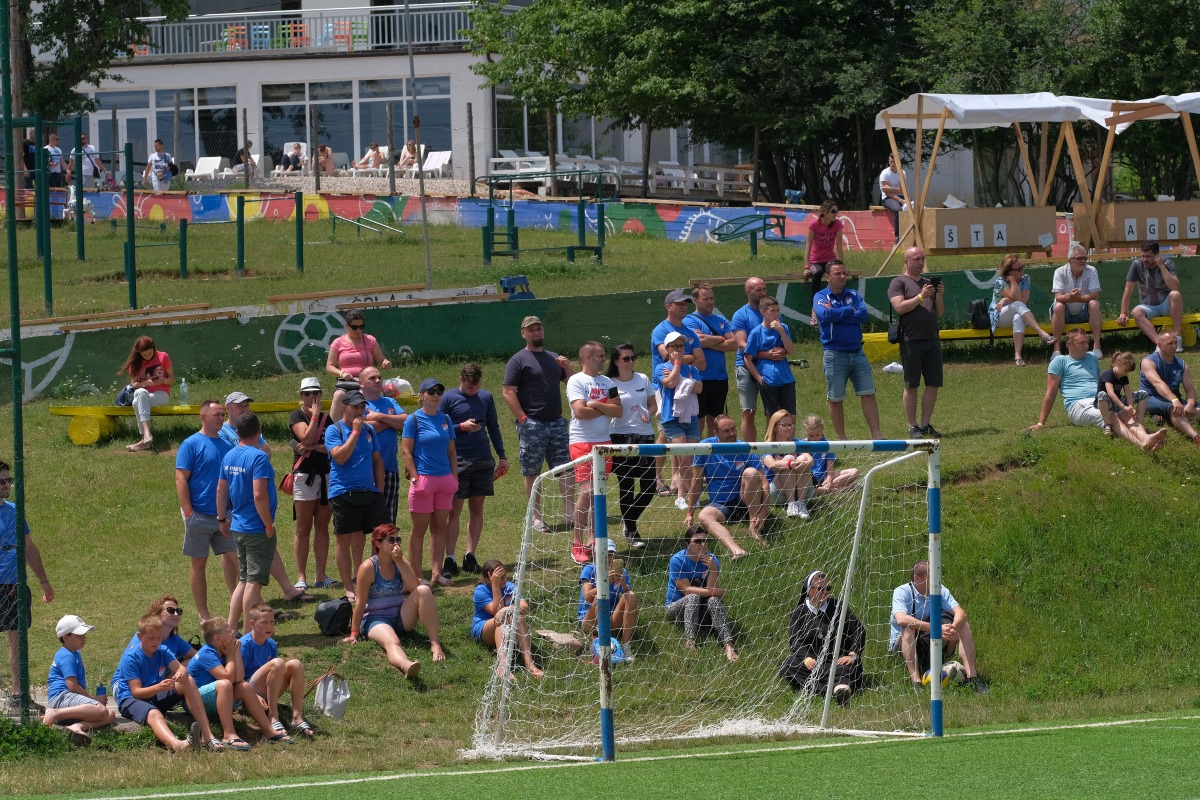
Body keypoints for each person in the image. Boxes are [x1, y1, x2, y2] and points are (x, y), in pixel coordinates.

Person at [221, 391, 314, 615]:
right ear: (228, 409)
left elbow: (266, 450)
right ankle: (248, 627)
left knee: (248, 576)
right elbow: (258, 493)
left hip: (242, 519)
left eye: (246, 404)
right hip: (251, 517)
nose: (244, 408)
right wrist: (268, 524)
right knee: (251, 579)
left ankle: (237, 624)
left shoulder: (241, 445)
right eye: (239, 405)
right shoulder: (230, 438)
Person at [1029, 329, 1166, 452]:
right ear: (1069, 344)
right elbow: (1050, 393)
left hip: (1100, 400)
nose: (1086, 346)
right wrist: (1041, 423)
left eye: (1087, 342)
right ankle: (1141, 445)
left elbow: (1101, 384)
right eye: (1081, 343)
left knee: (1125, 414)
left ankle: (1147, 438)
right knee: (1112, 415)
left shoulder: (1092, 357)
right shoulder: (1060, 361)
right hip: (1078, 405)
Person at [502, 315, 575, 533]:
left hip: (557, 423)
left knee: (565, 469)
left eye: (539, 329)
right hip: (533, 424)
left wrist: (568, 367)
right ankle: (536, 517)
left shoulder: (554, 358)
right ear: (523, 333)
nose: (536, 333)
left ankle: (570, 514)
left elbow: (573, 384)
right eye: (531, 330)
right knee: (532, 472)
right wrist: (523, 420)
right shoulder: (518, 360)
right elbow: (508, 392)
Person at [342, 524, 445, 679]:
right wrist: (354, 633)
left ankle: (435, 644)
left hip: (400, 615)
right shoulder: (368, 567)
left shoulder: (400, 561)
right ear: (377, 543)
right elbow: (360, 602)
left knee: (424, 590)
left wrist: (400, 562)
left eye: (398, 539)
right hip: (375, 619)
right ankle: (406, 665)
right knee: (392, 641)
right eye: (391, 540)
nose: (396, 544)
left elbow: (414, 588)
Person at [439, 362, 508, 575]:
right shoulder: (448, 398)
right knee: (454, 510)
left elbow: (494, 427)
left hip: (482, 458)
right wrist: (461, 427)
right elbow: (439, 427)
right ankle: (449, 559)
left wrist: (502, 456)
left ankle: (470, 555)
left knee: (477, 508)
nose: (473, 391)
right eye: (470, 387)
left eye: (477, 387)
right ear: (461, 380)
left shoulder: (486, 397)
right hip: (457, 460)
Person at [113, 613, 216, 753]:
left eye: (159, 637)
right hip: (130, 699)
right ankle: (177, 745)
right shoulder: (131, 657)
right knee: (154, 713)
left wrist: (181, 672)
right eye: (151, 638)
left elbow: (179, 667)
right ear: (139, 637)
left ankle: (207, 735)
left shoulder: (162, 650)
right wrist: (158, 687)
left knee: (188, 680)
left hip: (155, 693)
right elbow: (136, 692)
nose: (156, 642)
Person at [187, 616, 290, 749]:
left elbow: (238, 678)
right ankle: (228, 734)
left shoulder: (224, 650)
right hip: (197, 701)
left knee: (245, 686)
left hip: (217, 695)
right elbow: (227, 679)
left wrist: (235, 653)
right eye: (229, 631)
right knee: (224, 684)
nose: (233, 633)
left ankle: (268, 730)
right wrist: (230, 655)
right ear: (218, 639)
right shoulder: (207, 653)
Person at [176, 400, 237, 622]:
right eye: (216, 415)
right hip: (199, 515)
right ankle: (204, 615)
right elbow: (181, 477)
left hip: (225, 516)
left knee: (236, 558)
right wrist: (188, 512)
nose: (221, 418)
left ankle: (238, 606)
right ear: (203, 417)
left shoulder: (227, 445)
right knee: (199, 564)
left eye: (222, 414)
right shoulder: (190, 444)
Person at [325, 390, 389, 600]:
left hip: (370, 492)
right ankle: (348, 587)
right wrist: (354, 432)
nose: (359, 411)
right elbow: (340, 457)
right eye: (355, 407)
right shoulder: (334, 430)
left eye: (362, 407)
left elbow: (377, 460)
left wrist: (379, 489)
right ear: (345, 407)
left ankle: (364, 577)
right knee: (344, 540)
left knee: (377, 536)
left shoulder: (369, 430)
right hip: (343, 492)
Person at [218, 411, 279, 630]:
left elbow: (220, 490)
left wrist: (222, 518)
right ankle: (246, 635)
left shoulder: (230, 455)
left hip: (237, 526)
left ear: (237, 432)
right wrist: (268, 524)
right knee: (253, 583)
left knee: (243, 581)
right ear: (260, 430)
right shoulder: (259, 457)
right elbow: (259, 494)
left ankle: (231, 629)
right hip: (256, 528)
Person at [891, 560, 987, 693]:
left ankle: (973, 679)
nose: (937, 579)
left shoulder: (939, 590)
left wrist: (952, 629)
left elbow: (961, 613)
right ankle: (916, 682)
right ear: (917, 579)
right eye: (932, 576)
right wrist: (936, 628)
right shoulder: (902, 592)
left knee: (963, 624)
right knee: (908, 628)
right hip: (905, 645)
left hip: (932, 640)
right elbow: (901, 619)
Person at [566, 342, 622, 564]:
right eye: (600, 356)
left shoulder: (608, 382)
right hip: (582, 442)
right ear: (587, 357)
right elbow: (579, 412)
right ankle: (577, 542)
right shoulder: (576, 380)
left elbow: (618, 410)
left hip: (604, 442)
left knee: (597, 493)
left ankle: (593, 540)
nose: (604, 359)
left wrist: (594, 404)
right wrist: (602, 406)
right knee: (587, 492)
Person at [814, 260, 882, 438]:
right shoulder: (820, 297)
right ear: (828, 277)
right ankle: (842, 439)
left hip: (857, 351)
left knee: (868, 393)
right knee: (836, 398)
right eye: (838, 274)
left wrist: (838, 314)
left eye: (844, 273)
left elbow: (863, 315)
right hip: (834, 354)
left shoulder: (853, 294)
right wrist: (849, 310)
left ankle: (877, 435)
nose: (843, 276)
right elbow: (825, 315)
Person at [401, 378, 458, 586]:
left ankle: (436, 573)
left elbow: (452, 451)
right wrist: (415, 477)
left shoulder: (446, 419)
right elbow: (406, 451)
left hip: (445, 481)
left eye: (439, 391)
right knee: (419, 530)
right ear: (421, 395)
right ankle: (417, 576)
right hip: (424, 480)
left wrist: (454, 478)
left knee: (439, 528)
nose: (435, 395)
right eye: (431, 391)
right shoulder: (413, 419)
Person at [778, 570, 865, 704]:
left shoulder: (839, 607)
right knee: (788, 664)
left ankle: (836, 690)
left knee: (851, 667)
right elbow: (795, 640)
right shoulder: (799, 612)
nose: (825, 592)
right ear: (809, 590)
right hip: (813, 663)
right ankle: (836, 688)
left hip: (837, 661)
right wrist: (806, 658)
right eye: (820, 588)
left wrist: (853, 655)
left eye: (828, 588)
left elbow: (858, 630)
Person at [687, 414, 766, 555]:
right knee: (704, 516)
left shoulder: (745, 448)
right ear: (716, 433)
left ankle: (754, 529)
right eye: (726, 431)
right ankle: (736, 550)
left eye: (733, 429)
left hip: (745, 502)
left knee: (751, 473)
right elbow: (696, 481)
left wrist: (763, 512)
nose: (731, 434)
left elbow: (764, 483)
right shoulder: (705, 448)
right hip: (721, 506)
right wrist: (689, 512)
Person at [888, 247, 945, 437]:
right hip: (911, 340)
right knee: (911, 385)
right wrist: (921, 296)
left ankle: (925, 423)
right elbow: (900, 307)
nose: (921, 262)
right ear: (906, 261)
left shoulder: (928, 283)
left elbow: (940, 312)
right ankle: (912, 425)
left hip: (932, 338)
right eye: (916, 259)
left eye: (922, 258)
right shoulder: (899, 282)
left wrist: (939, 296)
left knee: (933, 383)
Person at [605, 342, 656, 548]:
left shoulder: (642, 378)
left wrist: (649, 413)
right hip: (620, 437)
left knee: (650, 486)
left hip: (645, 436)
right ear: (616, 361)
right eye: (626, 358)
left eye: (633, 358)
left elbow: (652, 403)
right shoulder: (609, 383)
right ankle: (632, 530)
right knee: (627, 486)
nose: (630, 362)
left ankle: (629, 521)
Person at [289, 377, 336, 591]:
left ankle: (321, 575)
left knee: (322, 526)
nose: (311, 397)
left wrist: (316, 446)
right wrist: (315, 417)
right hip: (305, 474)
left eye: (315, 392)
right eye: (307, 393)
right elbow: (306, 440)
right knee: (303, 527)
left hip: (325, 474)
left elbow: (333, 446)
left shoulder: (329, 420)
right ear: (301, 396)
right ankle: (301, 576)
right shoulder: (297, 415)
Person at [239, 603, 313, 738]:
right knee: (278, 663)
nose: (269, 626)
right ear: (252, 623)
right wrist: (253, 696)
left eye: (272, 622)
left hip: (265, 689)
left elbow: (276, 674)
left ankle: (297, 717)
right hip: (247, 693)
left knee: (295, 664)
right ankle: (273, 717)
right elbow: (236, 678)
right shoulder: (245, 644)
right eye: (264, 622)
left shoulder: (271, 643)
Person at [665, 528, 738, 661]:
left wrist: (713, 569)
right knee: (693, 597)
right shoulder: (677, 560)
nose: (703, 544)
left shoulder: (712, 560)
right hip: (676, 607)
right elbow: (686, 590)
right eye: (698, 541)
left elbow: (712, 590)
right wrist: (719, 592)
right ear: (687, 545)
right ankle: (690, 641)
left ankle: (729, 646)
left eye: (705, 540)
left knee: (714, 602)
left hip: (701, 608)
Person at [44, 615, 115, 741]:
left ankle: (77, 727)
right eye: (79, 635)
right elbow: (72, 685)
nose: (84, 638)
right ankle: (54, 713)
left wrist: (92, 702)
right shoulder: (66, 656)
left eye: (84, 635)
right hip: (61, 698)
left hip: (68, 701)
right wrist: (94, 700)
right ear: (66, 637)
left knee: (110, 714)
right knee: (101, 710)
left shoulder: (75, 653)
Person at [472, 559, 542, 678]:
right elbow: (496, 611)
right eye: (499, 577)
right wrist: (495, 585)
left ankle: (529, 663)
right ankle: (503, 665)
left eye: (505, 575)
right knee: (501, 617)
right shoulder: (480, 591)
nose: (504, 579)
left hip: (506, 626)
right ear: (488, 578)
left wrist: (507, 609)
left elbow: (525, 608)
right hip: (484, 628)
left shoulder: (510, 586)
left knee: (516, 616)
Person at [658, 331, 703, 514]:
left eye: (682, 346)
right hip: (672, 418)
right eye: (675, 347)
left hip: (691, 416)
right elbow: (669, 383)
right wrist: (677, 365)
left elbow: (699, 388)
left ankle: (691, 494)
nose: (679, 350)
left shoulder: (693, 369)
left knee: (691, 458)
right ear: (668, 349)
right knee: (683, 456)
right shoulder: (661, 367)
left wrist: (682, 378)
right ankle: (681, 496)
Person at [684, 283, 737, 438]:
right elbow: (698, 340)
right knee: (698, 422)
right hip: (699, 378)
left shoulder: (721, 320)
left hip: (719, 378)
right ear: (695, 300)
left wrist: (710, 340)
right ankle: (698, 458)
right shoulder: (689, 320)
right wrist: (721, 338)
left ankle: (712, 458)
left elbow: (734, 344)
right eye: (705, 298)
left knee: (715, 423)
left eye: (712, 298)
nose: (710, 301)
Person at [989, 254, 1056, 366]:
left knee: (1018, 317)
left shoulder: (1025, 278)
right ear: (1009, 271)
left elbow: (1023, 300)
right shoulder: (1000, 282)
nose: (1023, 270)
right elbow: (1017, 298)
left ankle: (1018, 355)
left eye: (1023, 266)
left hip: (1018, 310)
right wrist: (1012, 280)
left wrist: (1005, 300)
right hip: (999, 316)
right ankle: (1041, 333)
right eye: (1020, 268)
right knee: (1017, 305)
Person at [361, 366, 408, 524]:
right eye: (372, 378)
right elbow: (363, 427)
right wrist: (390, 421)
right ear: (361, 383)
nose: (378, 380)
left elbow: (405, 421)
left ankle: (381, 550)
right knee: (362, 521)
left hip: (390, 467)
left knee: (387, 520)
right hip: (364, 469)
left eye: (379, 377)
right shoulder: (357, 403)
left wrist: (380, 416)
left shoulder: (389, 401)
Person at [327, 310, 393, 419]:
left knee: (380, 393)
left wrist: (385, 363)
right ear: (347, 325)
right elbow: (329, 367)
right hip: (347, 382)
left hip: (367, 382)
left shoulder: (370, 340)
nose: (358, 330)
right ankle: (334, 430)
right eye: (354, 327)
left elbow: (381, 360)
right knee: (339, 395)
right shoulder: (338, 342)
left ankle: (380, 423)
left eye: (361, 326)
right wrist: (342, 373)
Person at [1119, 241, 1184, 351]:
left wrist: (1161, 266)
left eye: (1148, 256)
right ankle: (1160, 343)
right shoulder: (1137, 265)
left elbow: (1174, 287)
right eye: (1143, 256)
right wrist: (1123, 313)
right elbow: (1128, 290)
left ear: (1156, 255)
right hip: (1148, 306)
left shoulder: (1167, 263)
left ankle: (1177, 339)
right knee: (1136, 312)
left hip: (1165, 305)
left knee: (1175, 295)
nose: (1145, 259)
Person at [1140, 330, 1200, 444]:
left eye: (1176, 343)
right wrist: (1175, 400)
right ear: (1159, 344)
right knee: (1175, 409)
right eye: (1170, 343)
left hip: (1174, 399)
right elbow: (1157, 383)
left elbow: (1190, 389)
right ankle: (1196, 437)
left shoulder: (1182, 364)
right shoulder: (1148, 362)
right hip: (1151, 398)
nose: (1174, 346)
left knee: (1181, 408)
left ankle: (1169, 417)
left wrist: (1190, 404)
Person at [578, 539, 638, 647]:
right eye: (604, 554)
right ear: (596, 555)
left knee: (631, 595)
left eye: (611, 554)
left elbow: (629, 597)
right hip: (590, 621)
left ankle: (625, 645)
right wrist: (604, 583)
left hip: (611, 619)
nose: (609, 558)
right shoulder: (589, 569)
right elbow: (587, 597)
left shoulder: (621, 571)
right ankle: (601, 643)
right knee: (599, 597)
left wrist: (624, 584)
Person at [118, 335, 173, 452]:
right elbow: (133, 384)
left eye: (150, 353)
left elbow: (173, 379)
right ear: (139, 353)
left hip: (162, 394)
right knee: (140, 394)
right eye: (144, 355)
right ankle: (146, 437)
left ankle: (144, 438)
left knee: (136, 402)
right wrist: (145, 383)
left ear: (153, 348)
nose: (148, 356)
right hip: (144, 394)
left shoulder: (163, 356)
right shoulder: (135, 363)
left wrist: (163, 380)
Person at [743, 296, 795, 417]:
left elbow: (791, 351)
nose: (776, 314)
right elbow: (747, 358)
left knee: (790, 416)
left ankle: (790, 437)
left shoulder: (783, 328)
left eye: (777, 311)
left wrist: (781, 331)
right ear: (762, 312)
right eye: (772, 311)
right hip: (768, 380)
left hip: (786, 378)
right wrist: (759, 379)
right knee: (772, 417)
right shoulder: (756, 332)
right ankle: (771, 436)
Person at [1050, 244, 1104, 359]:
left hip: (1085, 311)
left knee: (1094, 304)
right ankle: (1056, 348)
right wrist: (1070, 296)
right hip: (1064, 312)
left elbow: (1095, 295)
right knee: (1058, 306)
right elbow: (1058, 296)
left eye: (1085, 258)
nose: (1083, 261)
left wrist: (1077, 298)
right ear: (1069, 260)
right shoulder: (1059, 272)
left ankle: (1097, 346)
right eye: (1079, 258)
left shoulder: (1092, 270)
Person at [731, 276, 768, 441]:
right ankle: (750, 452)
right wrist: (766, 353)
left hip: (769, 367)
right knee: (748, 411)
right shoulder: (741, 315)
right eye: (758, 290)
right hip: (746, 367)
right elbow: (742, 345)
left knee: (773, 411)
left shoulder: (771, 312)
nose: (762, 293)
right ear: (748, 291)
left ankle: (773, 451)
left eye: (764, 289)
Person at [761, 410, 813, 520]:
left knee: (803, 458)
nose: (789, 428)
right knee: (788, 459)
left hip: (801, 491)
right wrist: (790, 464)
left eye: (790, 425)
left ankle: (801, 504)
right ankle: (791, 504)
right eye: (784, 425)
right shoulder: (767, 446)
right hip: (777, 493)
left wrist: (804, 463)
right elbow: (771, 465)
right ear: (774, 427)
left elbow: (810, 460)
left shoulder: (797, 443)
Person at [800, 414, 860, 496]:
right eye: (811, 435)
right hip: (809, 479)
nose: (814, 438)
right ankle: (835, 490)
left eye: (817, 435)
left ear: (822, 430)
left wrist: (829, 478)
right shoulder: (802, 445)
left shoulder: (827, 444)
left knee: (855, 472)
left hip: (825, 476)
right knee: (803, 488)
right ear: (806, 431)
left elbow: (830, 465)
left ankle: (824, 488)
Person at [128, 595, 196, 667]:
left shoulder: (174, 640)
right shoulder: (143, 639)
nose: (176, 614)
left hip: (164, 677)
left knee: (194, 661)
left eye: (178, 611)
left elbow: (199, 656)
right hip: (141, 677)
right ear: (157, 614)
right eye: (171, 610)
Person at [803, 200, 845, 307]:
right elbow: (808, 246)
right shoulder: (814, 225)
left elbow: (839, 247)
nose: (836, 214)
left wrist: (842, 266)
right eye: (833, 211)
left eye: (837, 211)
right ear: (825, 212)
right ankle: (814, 306)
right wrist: (807, 267)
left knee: (836, 274)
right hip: (815, 261)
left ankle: (836, 302)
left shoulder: (837, 224)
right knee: (818, 272)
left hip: (830, 259)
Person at [879, 153, 906, 242]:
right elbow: (886, 193)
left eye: (894, 162)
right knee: (897, 210)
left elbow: (902, 190)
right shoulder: (885, 173)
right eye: (891, 162)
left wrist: (890, 188)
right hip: (887, 198)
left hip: (899, 196)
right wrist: (900, 199)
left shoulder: (902, 173)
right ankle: (898, 236)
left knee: (912, 207)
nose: (892, 164)